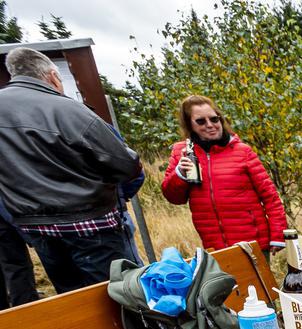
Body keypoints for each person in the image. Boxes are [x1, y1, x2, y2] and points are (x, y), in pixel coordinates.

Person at [0, 47, 142, 294]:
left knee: (74, 298)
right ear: (53, 77)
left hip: (36, 227)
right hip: (90, 224)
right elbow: (126, 164)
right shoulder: (66, 109)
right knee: (121, 295)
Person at [161, 95, 287, 254]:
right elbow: (174, 198)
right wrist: (179, 175)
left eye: (214, 119)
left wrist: (278, 235)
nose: (210, 125)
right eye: (201, 121)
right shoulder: (182, 152)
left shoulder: (242, 151)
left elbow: (270, 196)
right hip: (215, 247)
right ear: (189, 125)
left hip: (253, 245)